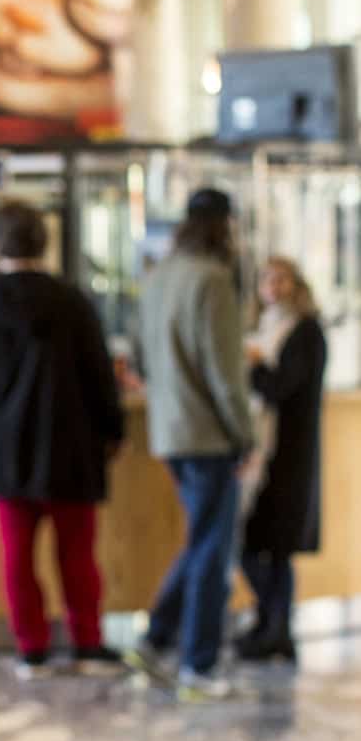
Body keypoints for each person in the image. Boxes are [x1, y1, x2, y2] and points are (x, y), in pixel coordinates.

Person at [0, 201, 125, 679]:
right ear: (44, 242)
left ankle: (31, 650)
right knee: (77, 554)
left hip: (6, 447)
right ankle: (87, 643)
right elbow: (99, 376)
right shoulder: (72, 300)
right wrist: (113, 431)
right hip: (72, 446)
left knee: (17, 556)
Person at [131, 187, 253, 701]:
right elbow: (226, 375)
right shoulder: (213, 280)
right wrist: (245, 434)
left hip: (169, 432)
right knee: (212, 551)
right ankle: (198, 667)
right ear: (225, 227)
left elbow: (139, 359)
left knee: (202, 538)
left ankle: (157, 638)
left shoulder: (159, 277)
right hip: (208, 435)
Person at [237, 256, 328, 662]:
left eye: (280, 279)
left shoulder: (306, 331)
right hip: (263, 453)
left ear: (296, 284)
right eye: (266, 280)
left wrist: (253, 366)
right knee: (256, 544)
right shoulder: (264, 328)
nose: (273, 287)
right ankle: (270, 624)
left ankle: (277, 628)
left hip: (288, 455)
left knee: (276, 547)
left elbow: (280, 387)